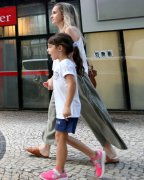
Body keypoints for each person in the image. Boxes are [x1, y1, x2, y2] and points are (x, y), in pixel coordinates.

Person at [25, 2, 127, 166]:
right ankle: (45, 147)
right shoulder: (64, 32)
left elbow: (69, 59)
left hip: (75, 79)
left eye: (54, 12)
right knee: (55, 112)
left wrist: (55, 78)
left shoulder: (70, 31)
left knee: (93, 116)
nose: (52, 15)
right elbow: (63, 60)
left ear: (63, 14)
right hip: (66, 79)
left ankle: (109, 152)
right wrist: (53, 78)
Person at [40, 33, 105, 179]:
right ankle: (94, 155)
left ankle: (60, 172)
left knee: (60, 137)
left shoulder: (67, 64)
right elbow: (60, 81)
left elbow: (72, 84)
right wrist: (50, 83)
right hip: (62, 107)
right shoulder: (59, 63)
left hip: (67, 108)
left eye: (50, 47)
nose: (48, 50)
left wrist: (67, 106)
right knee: (62, 137)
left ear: (60, 48)